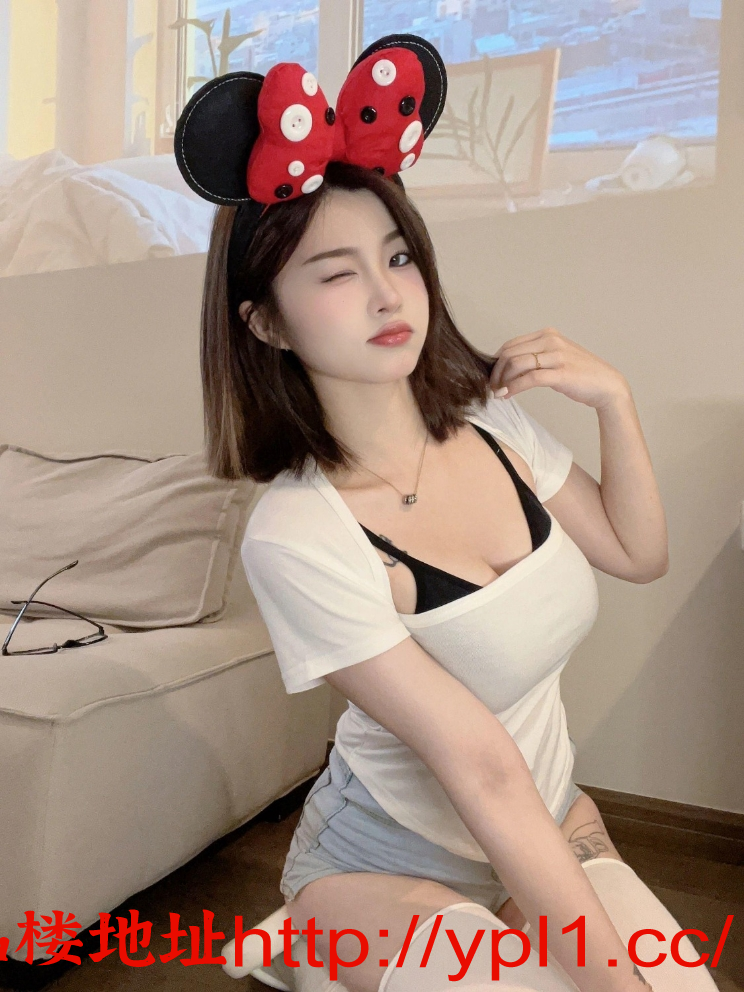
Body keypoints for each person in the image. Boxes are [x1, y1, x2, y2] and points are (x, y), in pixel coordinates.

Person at [176, 34, 720, 992]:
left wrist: (616, 402)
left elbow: (638, 553)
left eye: (398, 256)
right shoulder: (297, 534)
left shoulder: (494, 425)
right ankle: (309, 942)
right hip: (381, 869)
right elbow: (482, 768)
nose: (388, 292)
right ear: (265, 321)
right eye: (336, 273)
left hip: (552, 827)